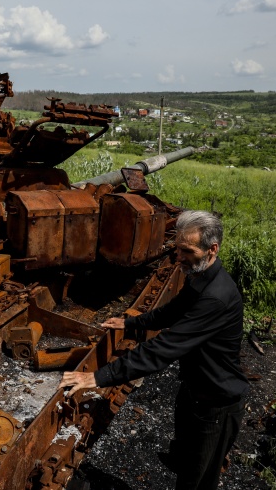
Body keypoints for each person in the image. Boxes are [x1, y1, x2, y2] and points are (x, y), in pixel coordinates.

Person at [58, 210, 248, 490]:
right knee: (184, 459)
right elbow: (172, 312)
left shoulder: (216, 297)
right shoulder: (199, 275)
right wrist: (130, 323)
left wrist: (96, 377)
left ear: (212, 250)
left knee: (196, 481)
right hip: (195, 390)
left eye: (187, 250)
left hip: (216, 404)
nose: (179, 257)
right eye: (177, 248)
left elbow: (164, 348)